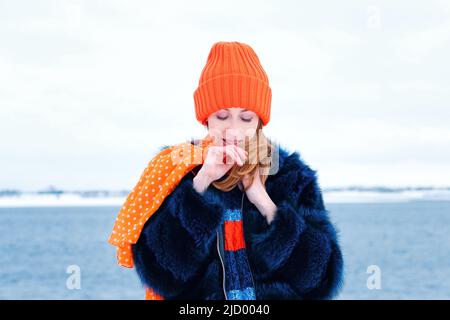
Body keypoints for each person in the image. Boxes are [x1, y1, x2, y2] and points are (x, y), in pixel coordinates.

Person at [129, 41, 344, 300]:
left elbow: (321, 281)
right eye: (221, 116)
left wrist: (266, 206)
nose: (233, 129)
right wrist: (200, 185)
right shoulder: (177, 170)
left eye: (245, 118)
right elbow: (161, 275)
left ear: (259, 121)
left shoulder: (291, 177)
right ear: (206, 118)